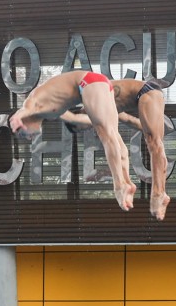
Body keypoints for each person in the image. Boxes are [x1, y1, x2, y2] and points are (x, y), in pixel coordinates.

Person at [8, 70, 137, 213]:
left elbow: (25, 108)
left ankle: (119, 186)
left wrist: (16, 118)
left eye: (23, 135)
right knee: (114, 136)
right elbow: (75, 119)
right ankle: (127, 181)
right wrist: (99, 121)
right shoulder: (50, 111)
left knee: (106, 135)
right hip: (100, 84)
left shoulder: (34, 102)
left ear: (22, 124)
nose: (28, 138)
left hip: (88, 83)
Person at [59, 77, 172, 219]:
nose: (90, 128)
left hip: (146, 91)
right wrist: (126, 182)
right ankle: (158, 192)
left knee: (154, 142)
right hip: (146, 96)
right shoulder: (103, 111)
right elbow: (122, 147)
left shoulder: (92, 105)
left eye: (85, 126)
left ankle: (158, 194)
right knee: (153, 142)